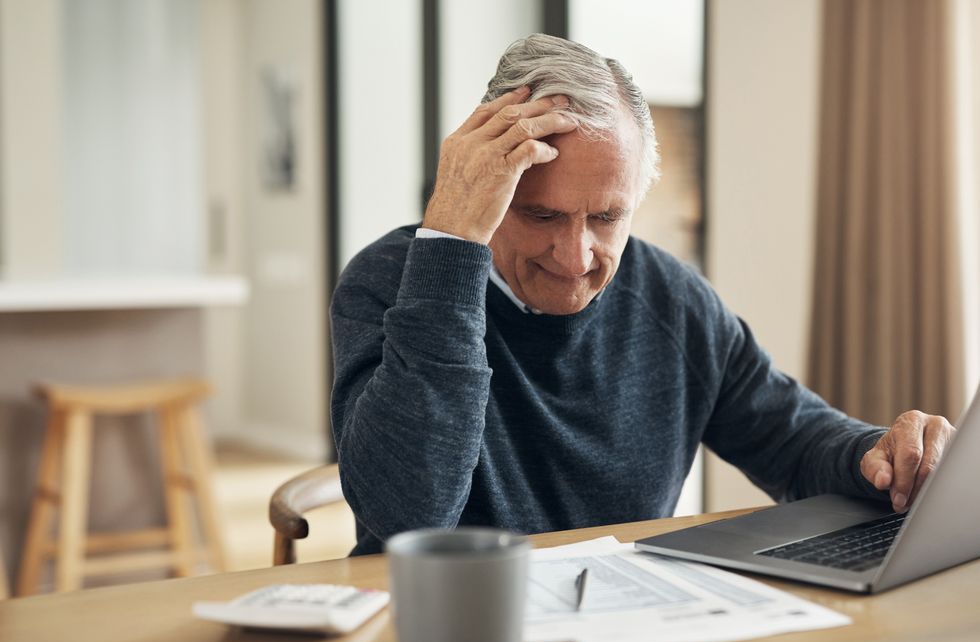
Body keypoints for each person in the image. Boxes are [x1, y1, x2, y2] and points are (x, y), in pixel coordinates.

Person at [330, 34, 955, 556]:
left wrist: (882, 455)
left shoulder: (671, 298)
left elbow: (794, 441)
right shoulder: (391, 281)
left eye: (606, 218)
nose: (575, 258)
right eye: (541, 215)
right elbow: (411, 517)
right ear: (484, 186)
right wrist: (452, 241)